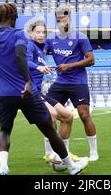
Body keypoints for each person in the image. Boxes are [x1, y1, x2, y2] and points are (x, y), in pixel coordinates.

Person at [0, 3, 88, 175]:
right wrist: (27, 81)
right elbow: (19, 55)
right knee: (49, 129)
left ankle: (3, 167)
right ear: (15, 17)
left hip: (3, 95)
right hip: (25, 92)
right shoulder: (19, 34)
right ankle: (71, 167)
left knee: (5, 130)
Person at [44, 4, 99, 162]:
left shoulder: (80, 37)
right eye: (59, 20)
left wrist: (69, 66)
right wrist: (41, 64)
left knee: (84, 115)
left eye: (64, 19)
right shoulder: (51, 38)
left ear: (69, 19)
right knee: (49, 115)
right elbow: (40, 53)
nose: (62, 22)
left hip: (78, 82)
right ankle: (55, 152)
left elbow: (91, 60)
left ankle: (94, 151)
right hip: (60, 82)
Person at [25, 18, 79, 163]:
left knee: (68, 116)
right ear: (31, 34)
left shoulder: (42, 48)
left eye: (43, 32)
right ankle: (51, 154)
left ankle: (64, 151)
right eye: (38, 32)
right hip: (31, 92)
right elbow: (25, 61)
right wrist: (39, 67)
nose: (41, 35)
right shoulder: (30, 46)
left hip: (40, 92)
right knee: (52, 115)